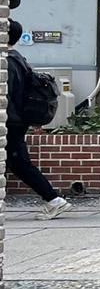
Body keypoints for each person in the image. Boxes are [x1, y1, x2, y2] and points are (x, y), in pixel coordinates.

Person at [5, 20, 68, 218]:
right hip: (16, 121)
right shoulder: (17, 58)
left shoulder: (7, 62)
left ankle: (54, 200)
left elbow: (8, 95)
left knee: (21, 164)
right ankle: (53, 199)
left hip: (10, 122)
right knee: (18, 163)